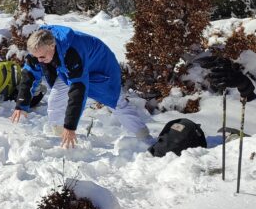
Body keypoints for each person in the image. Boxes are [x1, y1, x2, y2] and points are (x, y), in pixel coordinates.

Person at [10, 27, 151, 148]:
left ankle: (145, 139)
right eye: (36, 57)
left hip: (102, 69)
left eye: (42, 57)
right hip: (71, 70)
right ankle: (62, 139)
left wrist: (71, 126)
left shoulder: (72, 52)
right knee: (55, 99)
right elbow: (29, 74)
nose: (39, 61)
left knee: (116, 103)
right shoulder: (39, 48)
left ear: (52, 46)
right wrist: (21, 104)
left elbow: (78, 91)